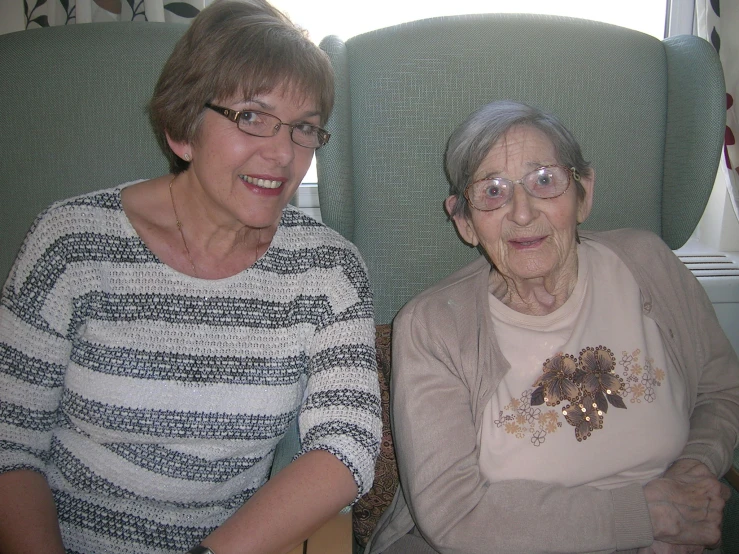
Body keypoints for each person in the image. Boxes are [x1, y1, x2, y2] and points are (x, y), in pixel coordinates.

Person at [0, 1, 381, 553]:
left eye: (303, 128)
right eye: (251, 116)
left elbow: (346, 446)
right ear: (184, 129)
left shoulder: (329, 271)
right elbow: (9, 440)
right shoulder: (71, 243)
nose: (281, 153)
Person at [366, 100, 739, 554]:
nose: (522, 213)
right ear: (464, 220)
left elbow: (721, 391)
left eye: (545, 181)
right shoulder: (433, 327)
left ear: (583, 192)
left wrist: (692, 479)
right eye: (493, 191)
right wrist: (646, 516)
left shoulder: (648, 264)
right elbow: (455, 514)